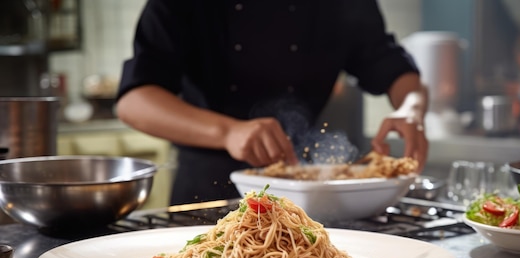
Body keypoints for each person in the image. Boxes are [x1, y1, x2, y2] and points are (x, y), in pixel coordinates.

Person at [116, 0, 429, 205]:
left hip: (303, 192)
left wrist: (410, 110)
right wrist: (228, 132)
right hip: (208, 194)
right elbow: (134, 100)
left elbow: (392, 65)